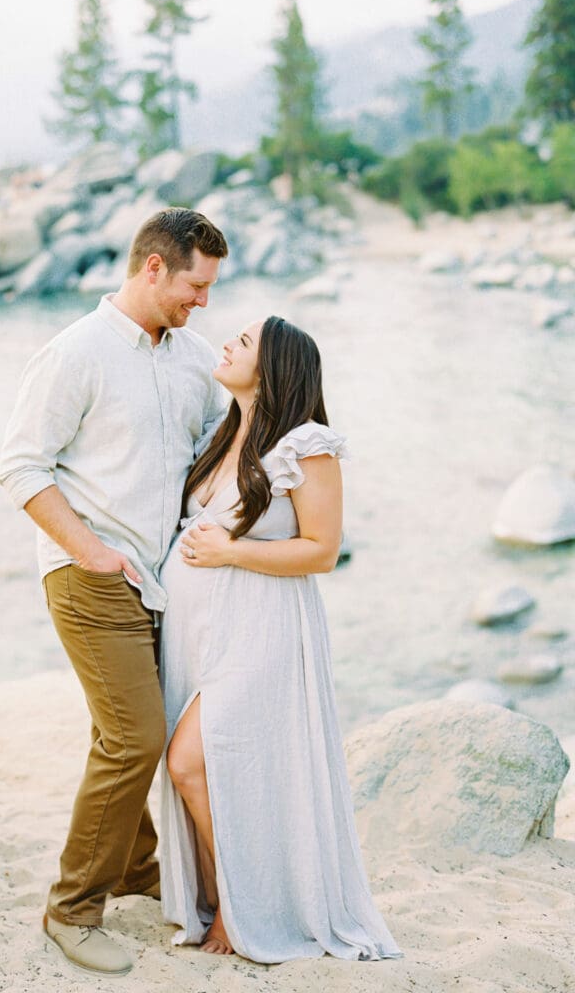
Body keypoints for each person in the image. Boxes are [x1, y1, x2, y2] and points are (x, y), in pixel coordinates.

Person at [0, 208, 229, 977]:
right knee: (133, 739)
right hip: (90, 574)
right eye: (195, 284)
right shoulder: (75, 354)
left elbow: (225, 451)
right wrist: (93, 554)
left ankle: (136, 868)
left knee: (141, 731)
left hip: (168, 582)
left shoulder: (196, 358)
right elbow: (23, 466)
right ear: (153, 267)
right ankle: (72, 908)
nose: (203, 301)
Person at [159, 316, 402, 963]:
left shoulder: (307, 445)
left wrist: (232, 551)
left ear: (272, 371)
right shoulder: (221, 433)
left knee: (191, 761)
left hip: (262, 629)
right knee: (218, 770)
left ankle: (242, 913)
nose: (228, 344)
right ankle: (221, 906)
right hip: (198, 633)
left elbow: (322, 551)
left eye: (244, 342)